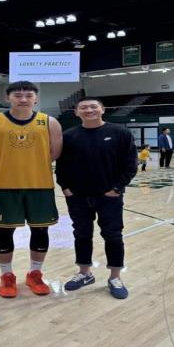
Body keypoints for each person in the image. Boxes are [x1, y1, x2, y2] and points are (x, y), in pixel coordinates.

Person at [0, 81, 63, 298]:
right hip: (5, 186)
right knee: (4, 231)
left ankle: (35, 274)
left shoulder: (49, 122)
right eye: (17, 95)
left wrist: (34, 165)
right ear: (8, 98)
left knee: (40, 231)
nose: (23, 99)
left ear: (36, 98)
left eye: (28, 95)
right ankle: (7, 276)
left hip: (40, 186)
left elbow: (55, 152)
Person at [55, 97, 137, 300]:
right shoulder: (69, 136)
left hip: (109, 196)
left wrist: (117, 188)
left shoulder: (120, 133)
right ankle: (85, 273)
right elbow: (62, 166)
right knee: (81, 234)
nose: (89, 110)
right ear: (76, 112)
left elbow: (130, 164)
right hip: (78, 196)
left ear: (102, 109)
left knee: (113, 235)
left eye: (93, 106)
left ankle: (115, 277)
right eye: (83, 107)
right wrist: (65, 187)